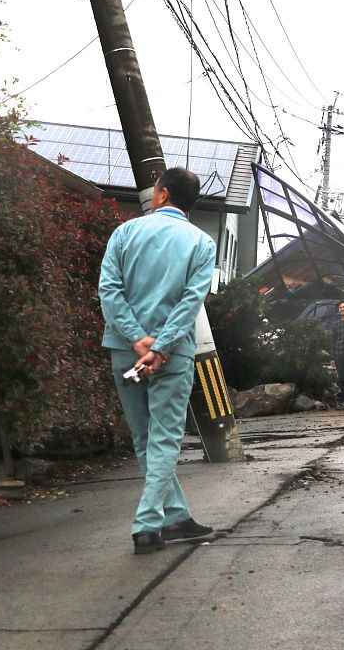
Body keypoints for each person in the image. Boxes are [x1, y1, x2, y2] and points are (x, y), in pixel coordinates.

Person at [98, 167, 218, 555]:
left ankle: (176, 518)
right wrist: (162, 346)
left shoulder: (125, 232)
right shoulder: (202, 243)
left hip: (126, 352)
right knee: (164, 437)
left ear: (163, 193)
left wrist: (137, 339)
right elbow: (191, 301)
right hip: (173, 354)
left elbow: (109, 290)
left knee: (144, 437)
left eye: (154, 189)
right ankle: (148, 524)